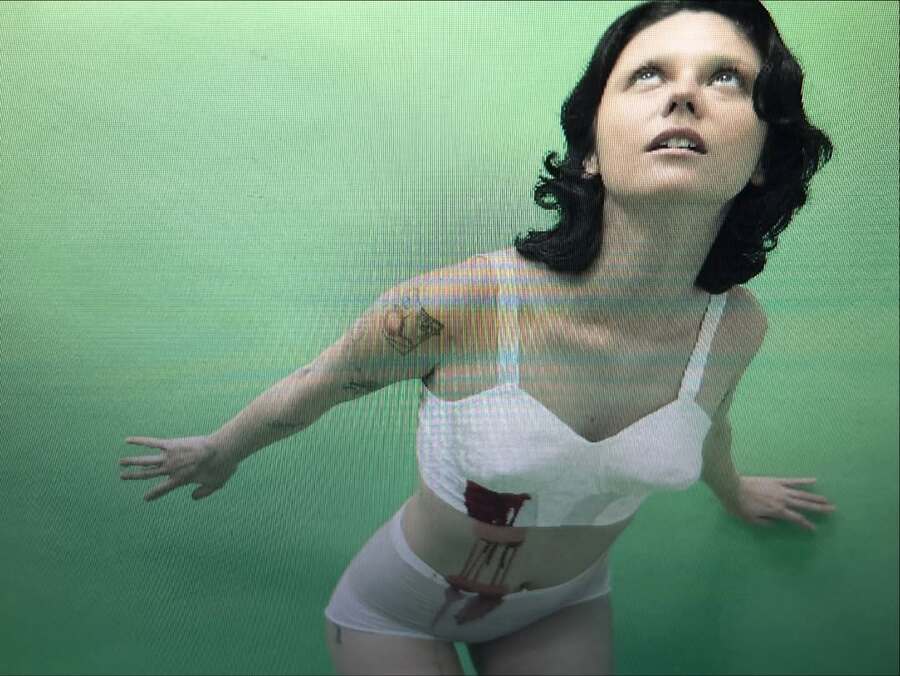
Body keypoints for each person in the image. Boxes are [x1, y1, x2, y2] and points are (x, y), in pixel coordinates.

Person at [118, 1, 837, 674]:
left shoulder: (734, 328)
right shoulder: (459, 305)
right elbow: (321, 384)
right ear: (589, 149)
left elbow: (710, 424)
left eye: (726, 78)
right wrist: (219, 450)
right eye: (649, 73)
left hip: (563, 609)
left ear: (763, 157)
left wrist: (735, 491)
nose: (683, 95)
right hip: (398, 611)